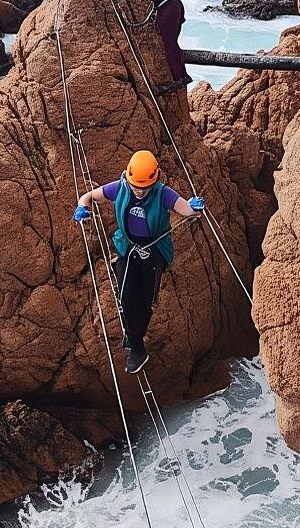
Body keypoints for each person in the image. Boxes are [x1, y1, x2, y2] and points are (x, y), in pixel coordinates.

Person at [72, 149, 204, 374]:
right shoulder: (120, 187)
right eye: (136, 187)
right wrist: (82, 207)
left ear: (155, 181)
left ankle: (134, 336)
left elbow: (184, 208)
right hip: (128, 246)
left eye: (145, 188)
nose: (140, 192)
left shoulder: (162, 193)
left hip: (155, 249)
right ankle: (136, 346)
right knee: (126, 296)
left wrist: (193, 208)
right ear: (128, 178)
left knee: (146, 298)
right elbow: (89, 196)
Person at [114, 0, 191, 91]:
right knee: (173, 44)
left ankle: (179, 79)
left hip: (167, 11)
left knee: (166, 45)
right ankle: (182, 75)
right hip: (176, 4)